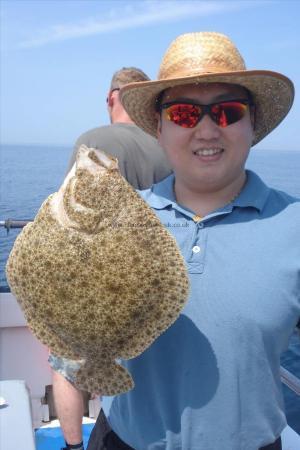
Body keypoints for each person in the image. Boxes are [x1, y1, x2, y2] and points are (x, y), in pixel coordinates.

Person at [58, 32, 299, 450]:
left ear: (253, 121)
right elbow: (68, 347)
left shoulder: (293, 224)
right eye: (185, 114)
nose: (206, 129)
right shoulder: (111, 221)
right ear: (159, 127)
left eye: (227, 112)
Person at [49, 67, 171, 450]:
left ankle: (73, 445)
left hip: (94, 285)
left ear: (110, 97)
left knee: (67, 367)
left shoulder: (94, 139)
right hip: (150, 289)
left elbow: (68, 221)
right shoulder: (167, 144)